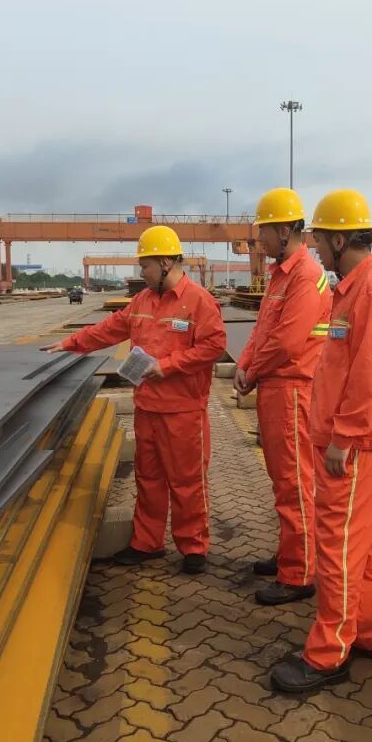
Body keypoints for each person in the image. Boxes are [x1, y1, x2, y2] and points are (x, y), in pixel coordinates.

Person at [270, 189, 372, 693]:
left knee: (336, 545)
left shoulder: (371, 289)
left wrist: (344, 438)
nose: (314, 250)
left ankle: (327, 653)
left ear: (339, 240)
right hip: (366, 438)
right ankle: (371, 635)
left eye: (318, 241)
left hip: (357, 442)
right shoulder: (359, 286)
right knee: (367, 542)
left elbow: (369, 373)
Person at [42, 225, 226, 575]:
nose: (142, 272)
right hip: (147, 407)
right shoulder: (142, 301)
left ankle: (193, 546)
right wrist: (70, 343)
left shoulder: (199, 301)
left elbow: (213, 346)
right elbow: (109, 329)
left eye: (146, 265)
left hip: (183, 411)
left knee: (187, 482)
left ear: (166, 262)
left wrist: (166, 366)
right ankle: (147, 542)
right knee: (148, 478)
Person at [235, 187, 332, 606]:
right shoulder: (280, 275)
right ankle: (290, 553)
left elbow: (288, 341)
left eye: (264, 230)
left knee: (294, 482)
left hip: (293, 390)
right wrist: (245, 364)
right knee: (283, 480)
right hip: (276, 388)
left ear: (285, 231)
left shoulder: (305, 276)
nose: (259, 239)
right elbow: (262, 331)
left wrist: (252, 371)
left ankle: (298, 573)